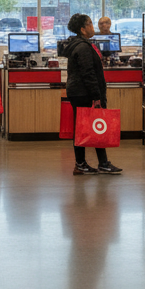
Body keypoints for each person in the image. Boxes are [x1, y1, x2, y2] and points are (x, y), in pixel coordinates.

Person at [59, 13, 121, 176]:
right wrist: (96, 96)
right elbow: (88, 73)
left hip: (81, 91)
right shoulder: (83, 47)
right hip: (83, 93)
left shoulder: (82, 44)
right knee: (83, 128)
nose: (93, 26)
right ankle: (81, 164)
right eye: (90, 24)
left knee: (96, 125)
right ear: (82, 29)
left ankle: (102, 162)